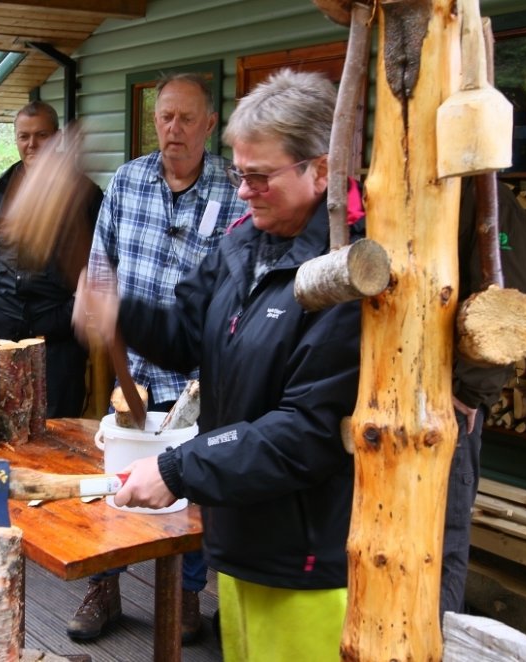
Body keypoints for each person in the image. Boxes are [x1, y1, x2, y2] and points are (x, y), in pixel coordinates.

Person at [74, 69, 362, 661]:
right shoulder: (244, 243)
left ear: (323, 169)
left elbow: (306, 431)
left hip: (309, 556)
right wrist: (118, 309)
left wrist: (179, 469)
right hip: (241, 536)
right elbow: (185, 333)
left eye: (260, 176)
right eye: (238, 173)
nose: (242, 190)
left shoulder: (350, 273)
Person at [70, 72, 248, 644]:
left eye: (187, 118)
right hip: (134, 376)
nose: (173, 129)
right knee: (116, 478)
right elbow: (102, 264)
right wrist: (94, 301)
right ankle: (106, 587)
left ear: (210, 124)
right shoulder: (127, 182)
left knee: (187, 488)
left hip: (197, 379)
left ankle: (185, 593)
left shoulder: (229, 189)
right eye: (165, 117)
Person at [441, 177, 526, 617]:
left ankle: (433, 637)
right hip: (390, 396)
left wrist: (468, 394)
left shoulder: (487, 198)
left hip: (448, 405)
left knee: (441, 540)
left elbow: (505, 310)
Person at [0, 100, 103, 417]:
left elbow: (103, 261)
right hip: (3, 333)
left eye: (41, 135)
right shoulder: (1, 192)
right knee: (3, 424)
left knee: (58, 431)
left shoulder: (85, 195)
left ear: (56, 137)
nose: (32, 144)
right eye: (24, 136)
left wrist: (74, 311)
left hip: (57, 341)